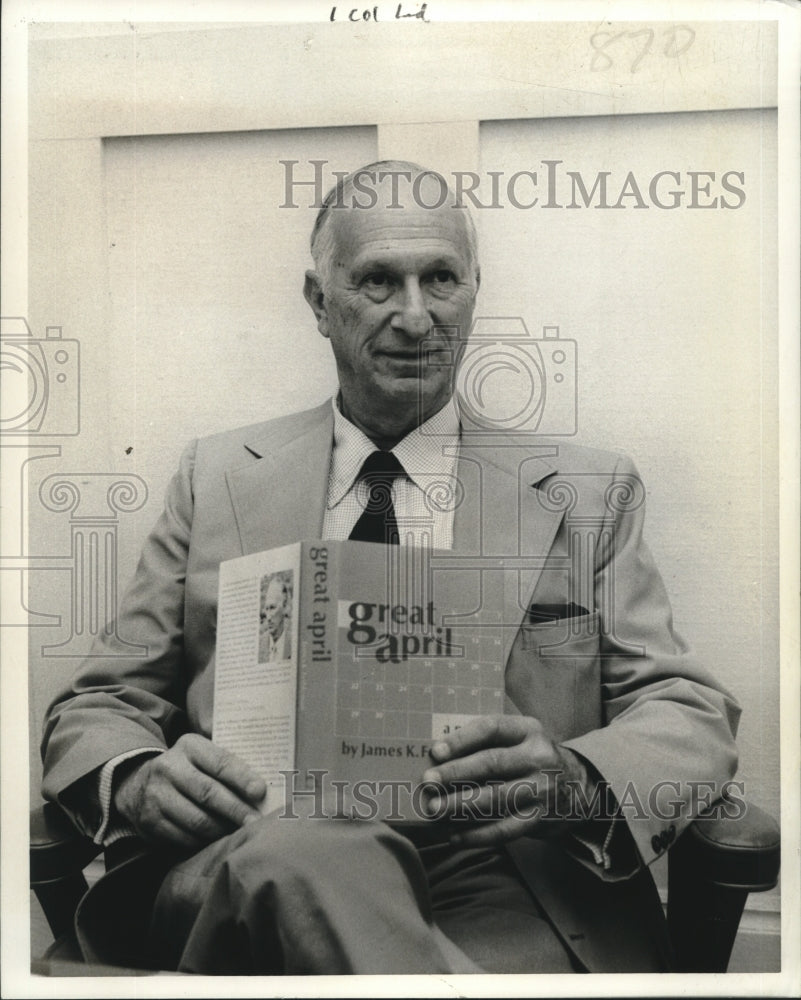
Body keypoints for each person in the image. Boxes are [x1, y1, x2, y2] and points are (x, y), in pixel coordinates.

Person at [40, 161, 740, 975]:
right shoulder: (218, 477)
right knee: (306, 850)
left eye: (439, 277)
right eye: (377, 281)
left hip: (503, 880)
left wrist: (568, 777)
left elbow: (685, 708)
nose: (415, 317)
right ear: (318, 302)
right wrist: (136, 781)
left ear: (475, 288)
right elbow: (100, 702)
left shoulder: (586, 492)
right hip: (248, 858)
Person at [258, 575, 292, 663]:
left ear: (284, 607)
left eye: (272, 608)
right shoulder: (258, 645)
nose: (268, 617)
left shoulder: (294, 643)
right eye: (267, 609)